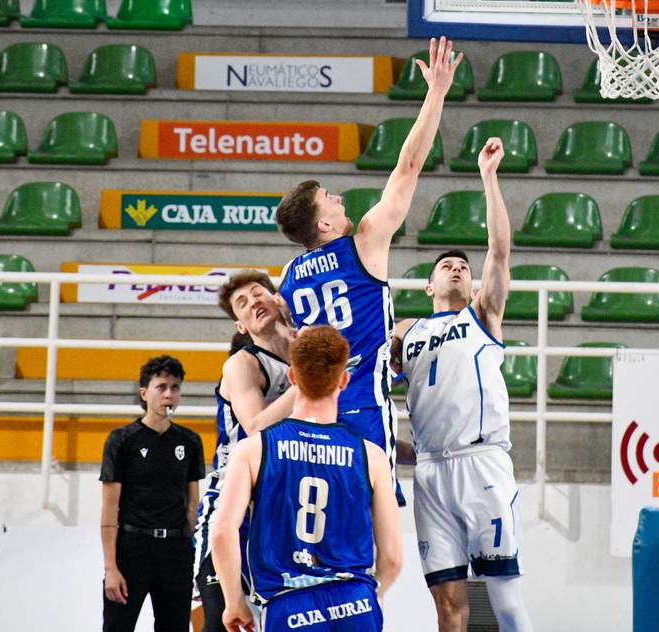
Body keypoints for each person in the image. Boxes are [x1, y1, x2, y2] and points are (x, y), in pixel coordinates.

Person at [275, 36, 460, 501]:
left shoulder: (292, 277)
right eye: (329, 200)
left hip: (311, 413)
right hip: (361, 406)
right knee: (371, 528)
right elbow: (410, 165)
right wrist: (436, 92)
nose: (339, 199)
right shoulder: (364, 246)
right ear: (323, 222)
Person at [390, 137, 534, 632]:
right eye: (445, 266)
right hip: (430, 471)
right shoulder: (405, 332)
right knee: (448, 608)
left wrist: (488, 178)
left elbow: (499, 248)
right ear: (428, 286)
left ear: (472, 286)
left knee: (507, 601)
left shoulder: (482, 315)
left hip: (483, 464)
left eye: (463, 268)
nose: (456, 267)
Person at [211, 325, 404, 632]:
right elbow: (392, 556)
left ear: (291, 377)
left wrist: (234, 601)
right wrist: (371, 594)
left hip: (289, 604)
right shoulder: (371, 455)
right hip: (355, 600)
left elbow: (222, 533)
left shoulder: (254, 448)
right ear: (344, 379)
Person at [193, 270, 300, 632]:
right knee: (224, 622)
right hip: (233, 503)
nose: (254, 301)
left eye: (259, 293)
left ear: (278, 299)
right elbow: (255, 426)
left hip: (282, 503)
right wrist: (309, 383)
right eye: (243, 302)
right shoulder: (242, 364)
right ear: (240, 326)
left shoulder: (307, 351)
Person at [100, 355, 206, 632]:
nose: (169, 394)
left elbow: (193, 506)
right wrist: (111, 568)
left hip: (175, 550)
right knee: (117, 626)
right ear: (145, 393)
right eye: (161, 387)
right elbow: (110, 509)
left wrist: (191, 558)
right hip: (133, 547)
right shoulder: (122, 440)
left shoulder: (190, 441)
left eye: (175, 387)